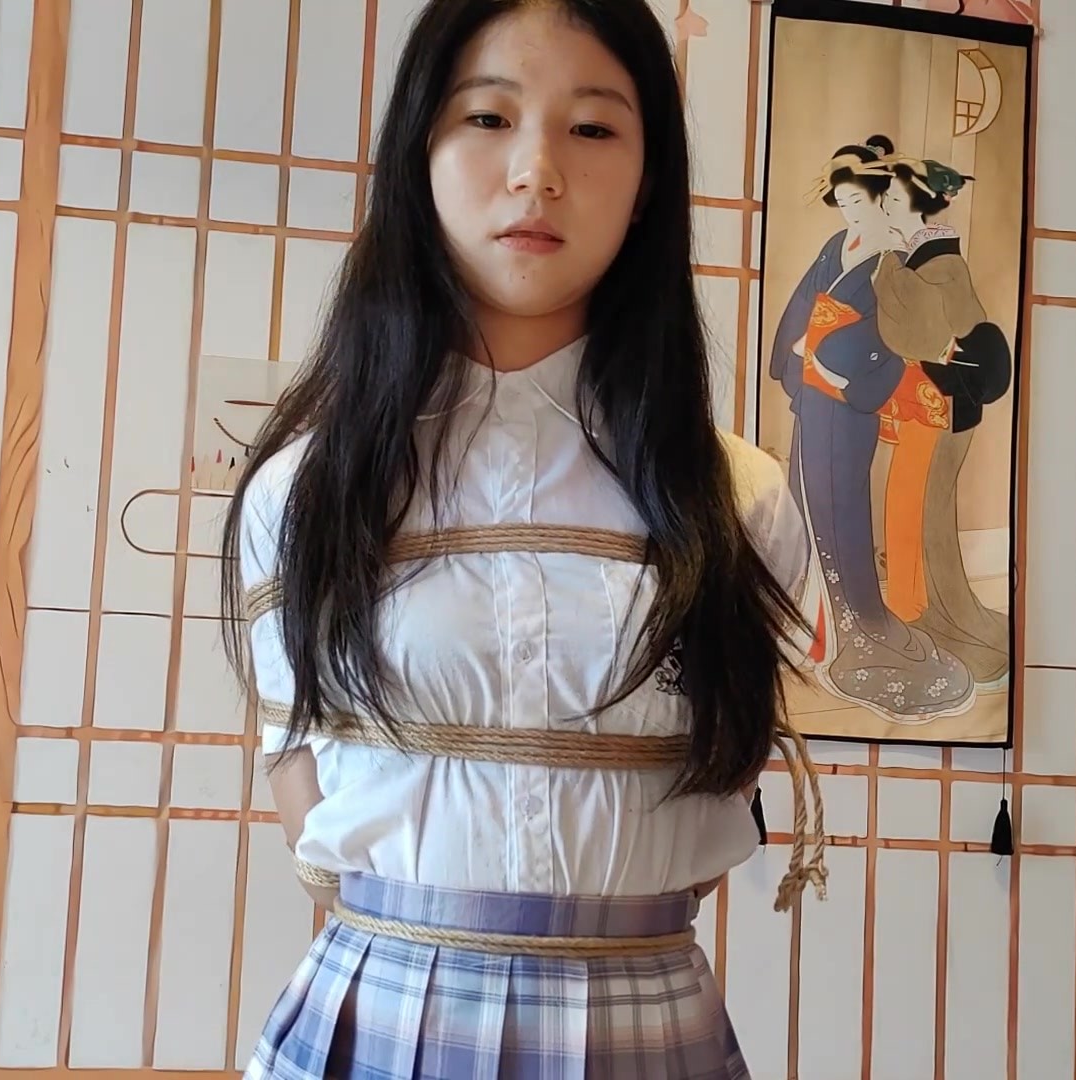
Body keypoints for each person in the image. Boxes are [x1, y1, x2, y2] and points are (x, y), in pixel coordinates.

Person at [220, 1, 827, 1075]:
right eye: (489, 118)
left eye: (591, 128)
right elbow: (303, 792)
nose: (537, 172)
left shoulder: (740, 499)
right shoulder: (306, 492)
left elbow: (718, 793)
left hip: (644, 1014)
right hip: (386, 1011)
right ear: (418, 154)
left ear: (649, 178)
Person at [765, 138, 975, 725]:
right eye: (843, 203)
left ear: (881, 198)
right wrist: (797, 352)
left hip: (846, 393)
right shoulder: (836, 247)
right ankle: (814, 629)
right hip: (813, 390)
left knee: (841, 510)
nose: (850, 212)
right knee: (806, 504)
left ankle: (856, 626)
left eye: (859, 201)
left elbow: (893, 333)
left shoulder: (892, 259)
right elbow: (802, 303)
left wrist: (833, 361)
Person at [867, 147, 1014, 691]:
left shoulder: (942, 265)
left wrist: (886, 267)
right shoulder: (917, 258)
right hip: (926, 401)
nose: (886, 205)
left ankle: (942, 620)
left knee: (926, 509)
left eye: (894, 198)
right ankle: (911, 610)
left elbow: (916, 332)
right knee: (907, 503)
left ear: (919, 203)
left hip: (945, 404)